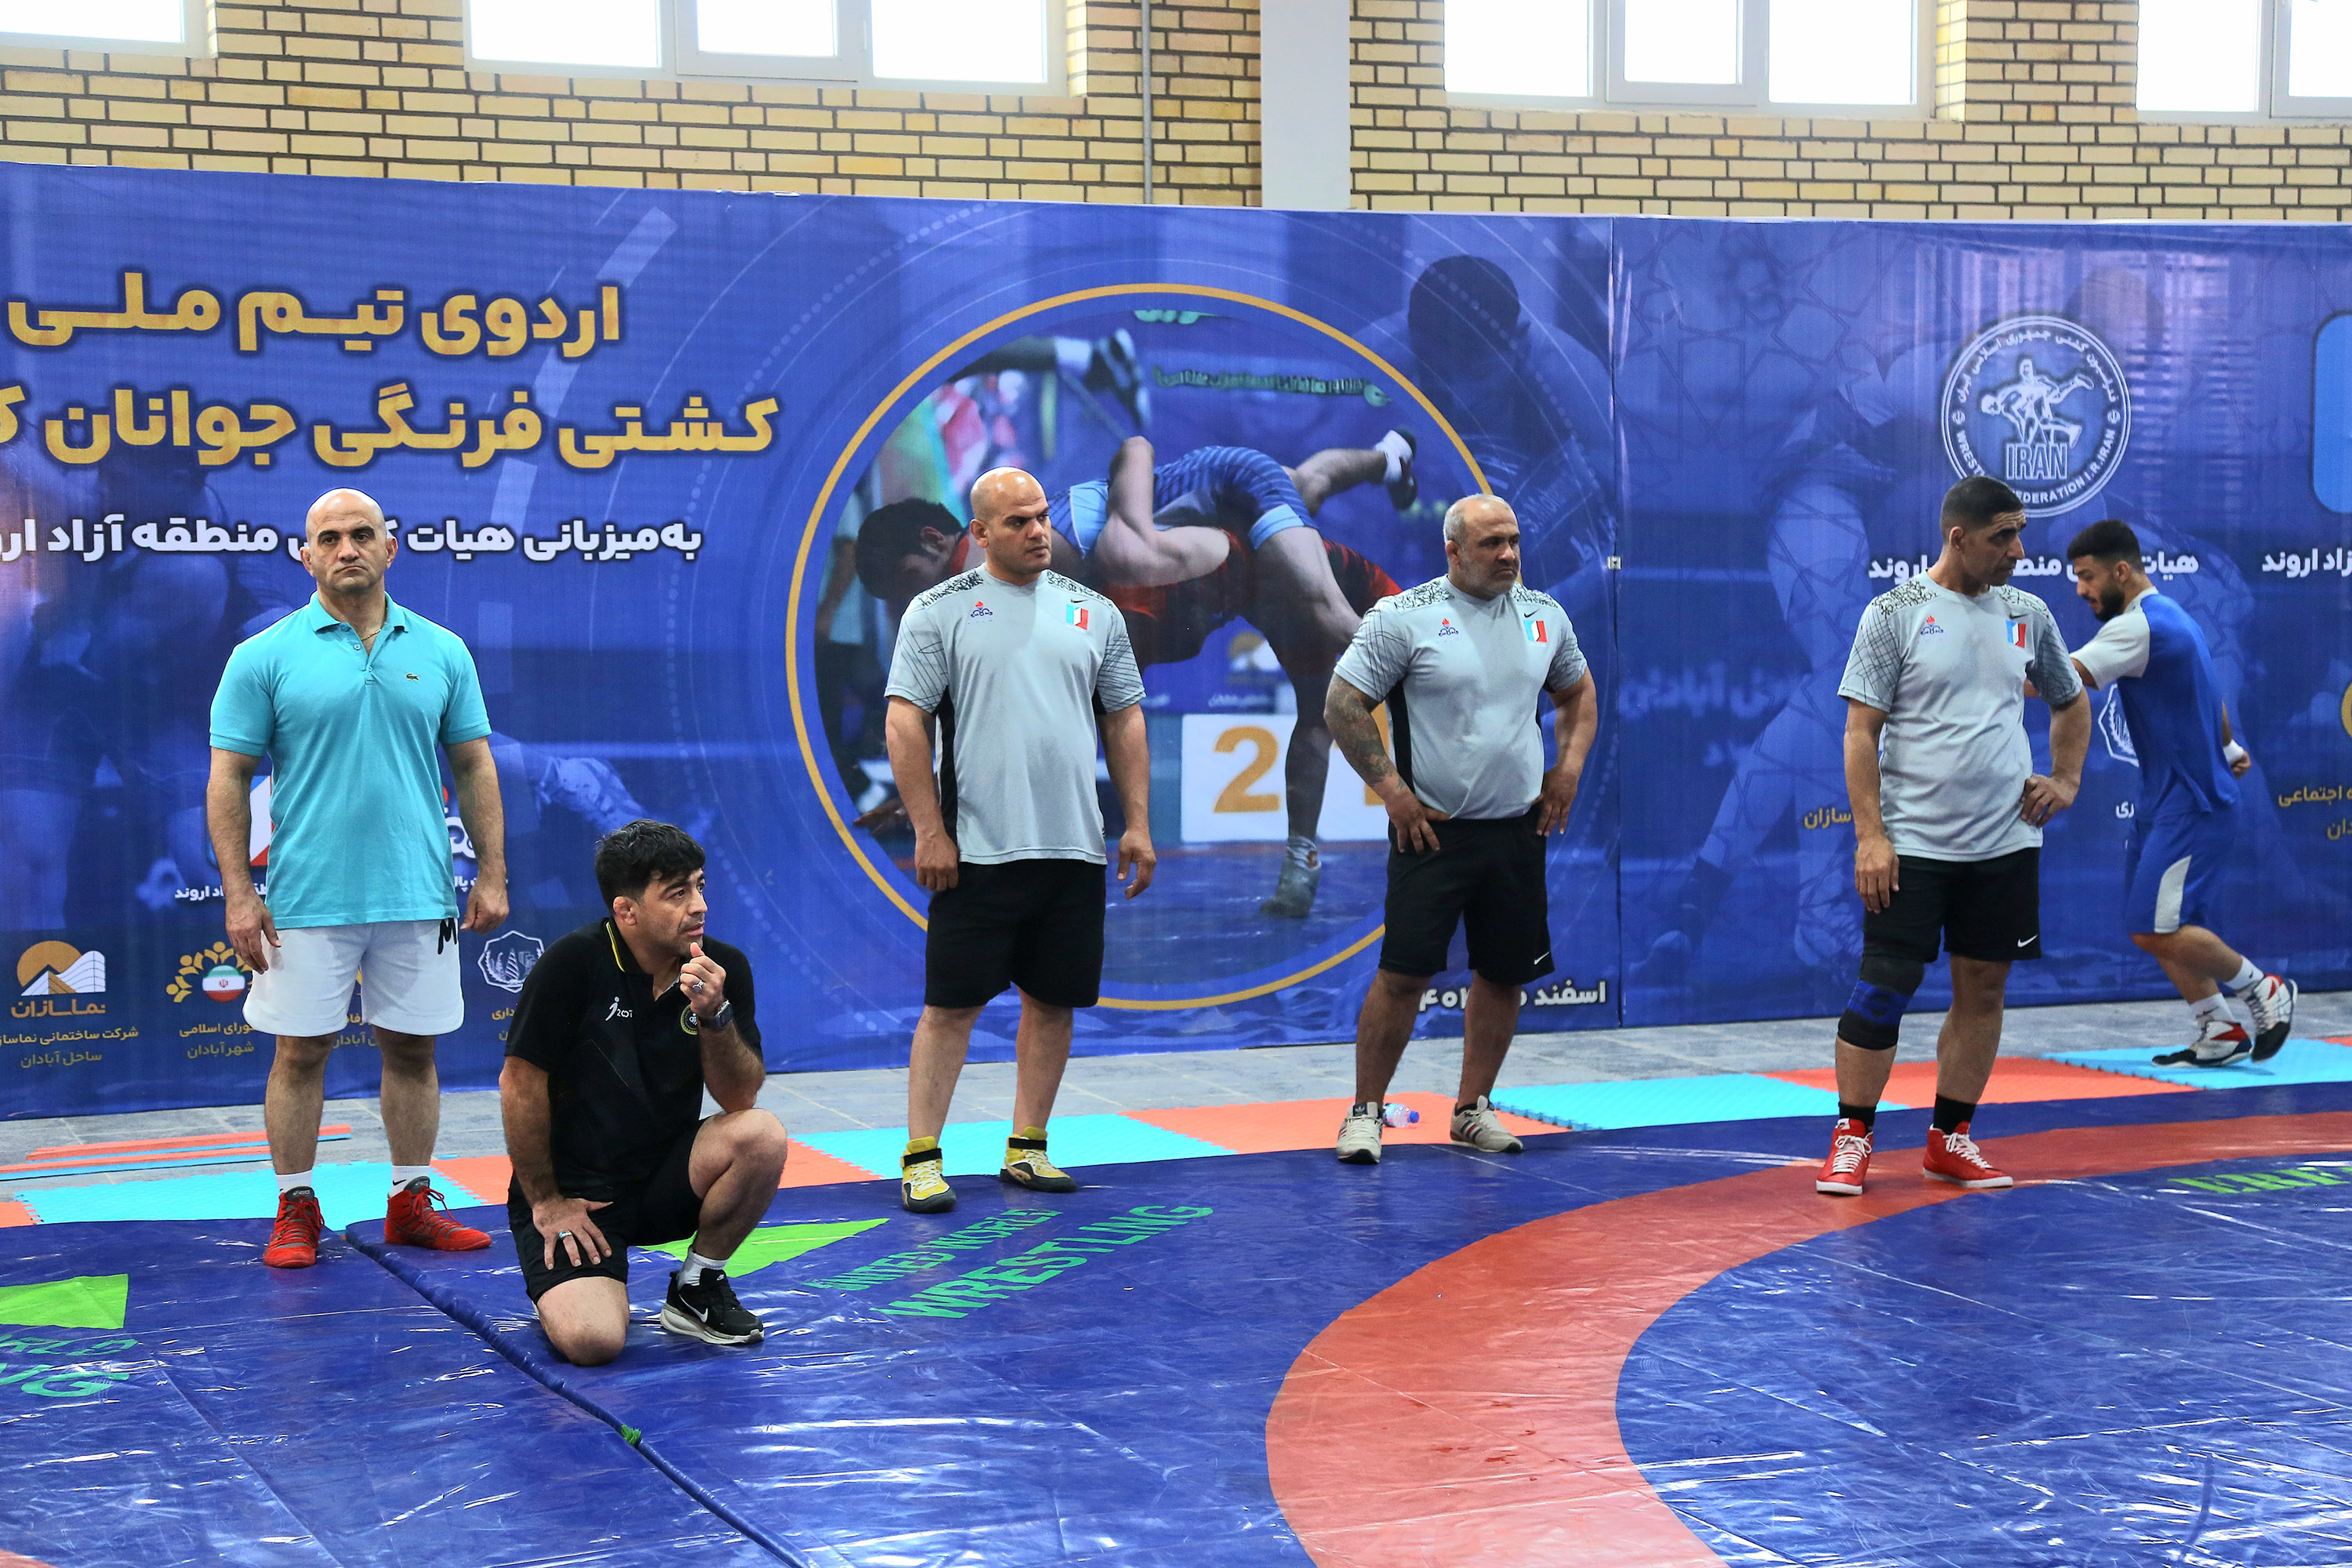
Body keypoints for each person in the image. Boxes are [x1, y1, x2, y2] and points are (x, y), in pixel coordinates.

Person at [856, 437, 1403, 916]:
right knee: (1305, 487)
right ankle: (1390, 457)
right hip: (1228, 562)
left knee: (1328, 618)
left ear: (939, 541)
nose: (914, 602)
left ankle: (1429, 674)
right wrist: (930, 790)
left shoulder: (1071, 560)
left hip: (1231, 516)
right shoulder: (1074, 595)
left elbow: (1136, 448)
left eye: (909, 582)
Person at [206, 487, 509, 1268]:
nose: (347, 548)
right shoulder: (263, 656)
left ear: (389, 547)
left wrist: (492, 871)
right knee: (300, 1053)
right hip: (306, 895)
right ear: (305, 555)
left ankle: (411, 1201)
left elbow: (474, 764)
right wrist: (239, 891)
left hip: (418, 890)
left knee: (413, 1051)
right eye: (330, 537)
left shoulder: (442, 650)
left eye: (362, 534)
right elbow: (229, 776)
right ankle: (295, 1206)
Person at [883, 466, 1154, 1214]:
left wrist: (1137, 823)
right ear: (978, 533)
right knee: (950, 1009)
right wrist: (929, 831)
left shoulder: (1094, 611)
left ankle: (1028, 1148)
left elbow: (1124, 717)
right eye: (1018, 522)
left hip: (1073, 848)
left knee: (1054, 1001)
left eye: (1042, 517)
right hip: (976, 850)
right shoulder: (938, 610)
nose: (1039, 531)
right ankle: (921, 1158)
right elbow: (905, 722)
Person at [1815, 477, 2089, 1197]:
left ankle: (1950, 1138)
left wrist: (2065, 779)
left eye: (2020, 533)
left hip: (2005, 843)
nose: (2018, 550)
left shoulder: (2028, 614)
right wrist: (1870, 837)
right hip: (1912, 846)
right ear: (1958, 537)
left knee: (1984, 990)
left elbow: (2070, 699)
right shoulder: (1895, 612)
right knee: (1883, 990)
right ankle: (1853, 1136)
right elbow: (1859, 732)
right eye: (2003, 536)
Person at [1323, 494, 1597, 1165]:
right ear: (1452, 551)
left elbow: (1578, 693)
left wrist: (1567, 771)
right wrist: (1393, 794)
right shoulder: (1403, 617)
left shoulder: (1544, 615)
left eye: (1514, 540)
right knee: (1402, 977)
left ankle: (1473, 1109)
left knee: (1503, 976)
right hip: (1433, 834)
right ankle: (1365, 1113)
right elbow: (1343, 703)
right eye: (1490, 543)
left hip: (1518, 830)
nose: (1508, 554)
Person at [497, 820, 789, 1363]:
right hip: (581, 1196)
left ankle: (697, 1285)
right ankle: (569, 1289)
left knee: (762, 1134)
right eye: (677, 894)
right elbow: (519, 1085)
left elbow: (739, 1099)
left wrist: (715, 1016)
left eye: (700, 886)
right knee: (593, 1343)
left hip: (666, 1180)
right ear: (627, 911)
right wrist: (547, 1202)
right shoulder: (573, 963)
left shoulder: (722, 968)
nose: (699, 906)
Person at [2064, 518, 2297, 1066]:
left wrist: (1978, 668)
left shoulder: (2139, 626)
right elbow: (2210, 694)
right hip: (2166, 800)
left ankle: (2264, 989)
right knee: (2148, 928)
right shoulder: (2172, 615)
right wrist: (2230, 748)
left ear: (2122, 571)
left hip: (2191, 803)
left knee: (2156, 927)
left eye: (2088, 576)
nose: (2081, 590)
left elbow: (2061, 680)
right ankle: (2219, 1028)